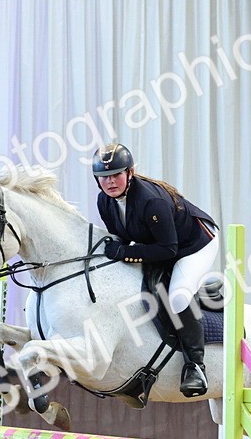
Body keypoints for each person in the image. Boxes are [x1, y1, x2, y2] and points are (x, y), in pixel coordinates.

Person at [93, 143, 218, 397]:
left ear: (130, 172)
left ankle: (195, 367)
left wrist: (124, 253)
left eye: (116, 174)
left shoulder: (151, 201)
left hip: (195, 244)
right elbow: (122, 238)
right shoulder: (104, 201)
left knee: (179, 296)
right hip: (162, 244)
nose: (110, 181)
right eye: (104, 176)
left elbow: (168, 250)